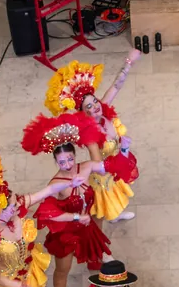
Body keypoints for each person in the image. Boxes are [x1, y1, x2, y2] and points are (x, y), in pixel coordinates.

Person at [21, 113, 111, 287]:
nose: (68, 164)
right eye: (62, 162)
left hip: (86, 225)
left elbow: (106, 167)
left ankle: (94, 264)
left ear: (75, 155)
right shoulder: (57, 183)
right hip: (67, 232)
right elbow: (46, 210)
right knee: (63, 270)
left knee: (94, 252)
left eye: (70, 159)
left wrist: (122, 148)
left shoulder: (85, 167)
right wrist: (76, 216)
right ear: (55, 161)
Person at [44, 52, 142, 222]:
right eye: (89, 106)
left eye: (95, 101)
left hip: (117, 160)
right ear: (84, 112)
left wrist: (128, 62)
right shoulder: (90, 136)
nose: (96, 106)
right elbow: (99, 165)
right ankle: (113, 216)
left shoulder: (102, 109)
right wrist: (123, 153)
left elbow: (116, 86)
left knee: (118, 192)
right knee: (111, 198)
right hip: (106, 172)